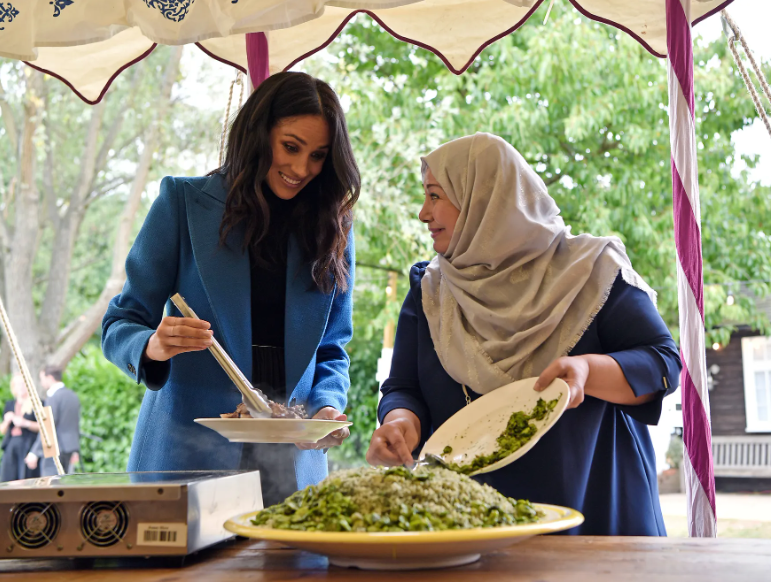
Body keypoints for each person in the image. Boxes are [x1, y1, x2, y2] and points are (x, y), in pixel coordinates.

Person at [366, 133, 682, 536]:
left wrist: (588, 369)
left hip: (594, 512)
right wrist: (400, 421)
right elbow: (403, 387)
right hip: (471, 524)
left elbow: (663, 364)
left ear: (486, 199)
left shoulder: (591, 272)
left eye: (434, 196)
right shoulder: (431, 292)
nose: (422, 214)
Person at [102, 71, 358, 505]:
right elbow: (119, 324)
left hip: (292, 465)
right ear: (259, 135)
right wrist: (153, 345)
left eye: (318, 156)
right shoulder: (182, 204)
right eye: (290, 147)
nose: (301, 169)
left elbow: (332, 348)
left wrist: (326, 407)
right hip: (186, 457)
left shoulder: (332, 227)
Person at [25, 367, 80, 476]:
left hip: (54, 449)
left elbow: (48, 427)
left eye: (42, 379)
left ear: (49, 378)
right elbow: (74, 425)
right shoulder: (73, 396)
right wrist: (75, 450)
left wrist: (34, 452)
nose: (41, 383)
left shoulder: (53, 397)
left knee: (51, 486)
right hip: (70, 448)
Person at [0, 375, 41, 481]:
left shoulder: (36, 403)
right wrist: (7, 420)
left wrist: (25, 423)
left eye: (23, 384)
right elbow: (2, 430)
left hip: (28, 444)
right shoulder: (10, 404)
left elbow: (42, 428)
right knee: (7, 476)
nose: (21, 387)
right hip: (11, 444)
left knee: (26, 477)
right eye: (18, 385)